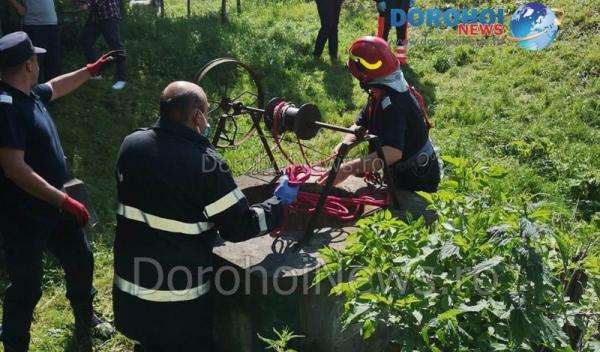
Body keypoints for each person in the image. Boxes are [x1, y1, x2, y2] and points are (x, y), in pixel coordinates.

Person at [112, 81, 298, 351]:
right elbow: (239, 226)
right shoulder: (205, 163)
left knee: (149, 343)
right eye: (207, 113)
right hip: (177, 297)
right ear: (198, 116)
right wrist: (278, 203)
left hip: (131, 287)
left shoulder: (131, 144)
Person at [0, 31, 121, 352]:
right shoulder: (7, 107)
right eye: (36, 59)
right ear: (28, 64)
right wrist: (65, 200)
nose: (39, 64)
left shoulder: (27, 94)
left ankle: (86, 319)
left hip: (54, 207)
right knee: (26, 287)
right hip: (24, 215)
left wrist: (90, 70)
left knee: (80, 260)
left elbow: (56, 86)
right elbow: (14, 168)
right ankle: (15, 345)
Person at [318, 36, 439, 193]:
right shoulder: (380, 91)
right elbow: (362, 123)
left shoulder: (394, 103)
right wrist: (344, 144)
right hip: (400, 171)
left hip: (417, 178)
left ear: (364, 77)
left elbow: (393, 153)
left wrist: (348, 169)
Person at [7, 0, 61, 81]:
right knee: (35, 64)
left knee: (53, 63)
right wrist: (18, 7)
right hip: (34, 25)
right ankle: (33, 91)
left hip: (52, 23)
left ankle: (52, 91)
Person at [79, 0, 127, 90]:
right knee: (86, 41)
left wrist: (87, 4)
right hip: (95, 17)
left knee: (116, 46)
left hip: (109, 15)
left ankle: (122, 79)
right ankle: (95, 73)